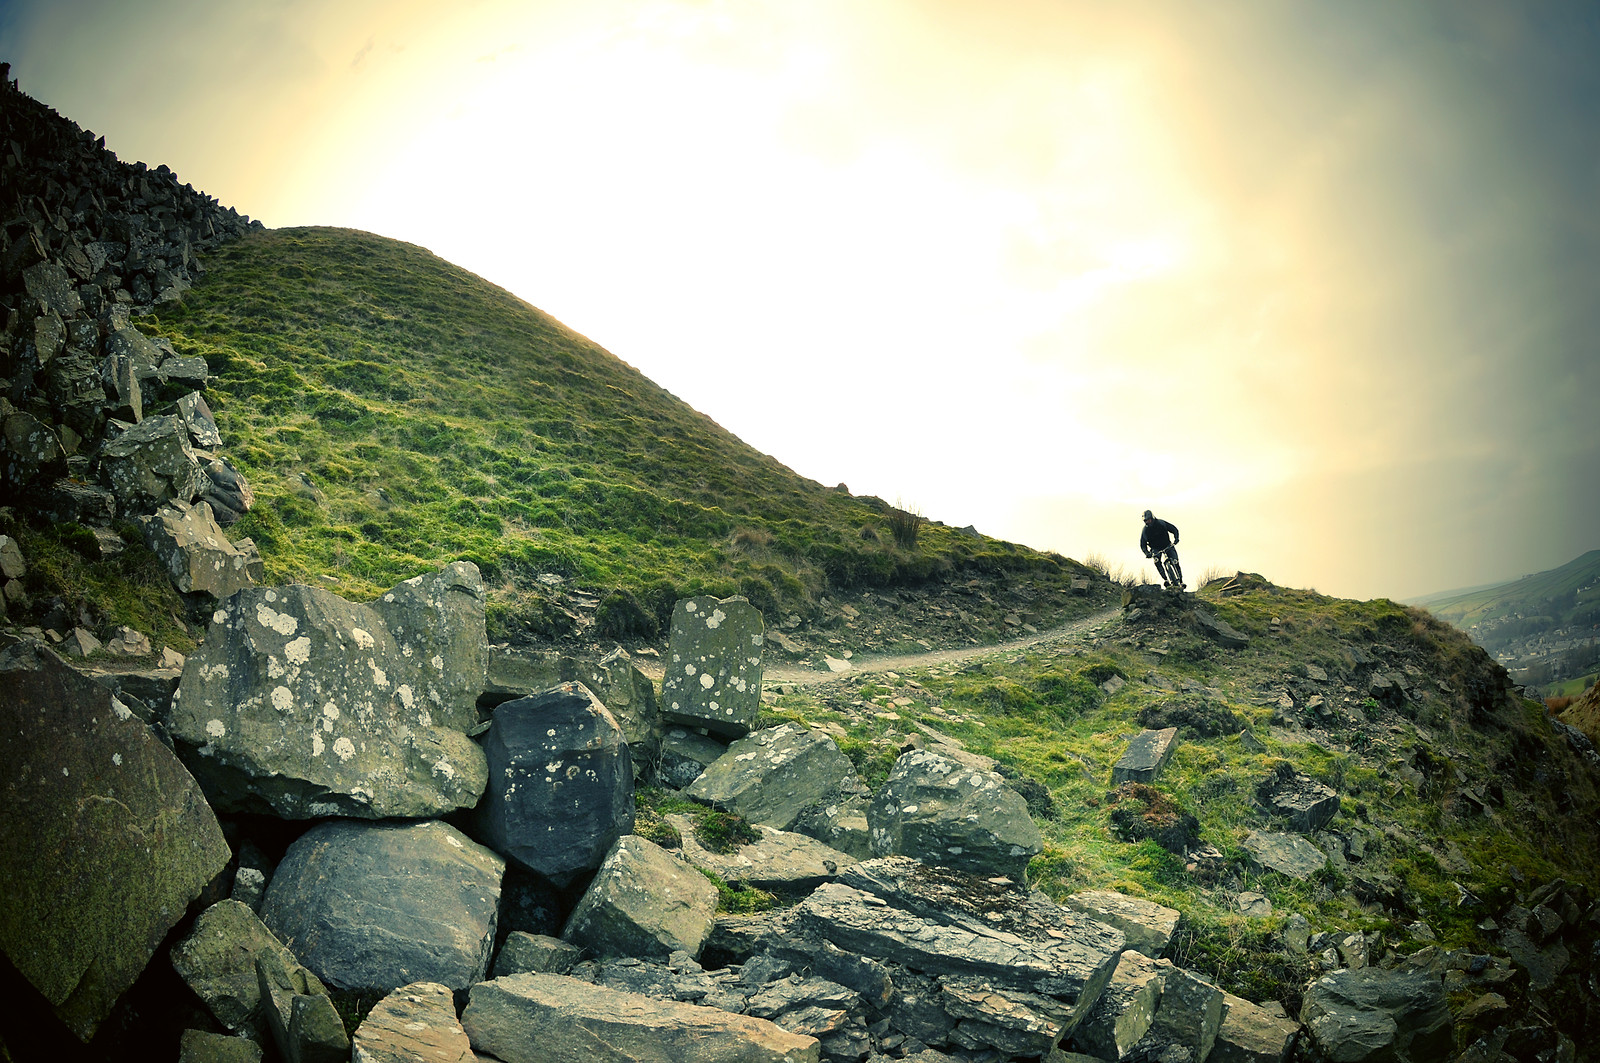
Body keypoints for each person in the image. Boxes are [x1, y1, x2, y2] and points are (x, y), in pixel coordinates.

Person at [1140, 510, 1183, 590]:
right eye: (1145, 521)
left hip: (1167, 545)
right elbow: (1143, 544)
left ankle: (1180, 580)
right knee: (1156, 561)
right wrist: (1147, 553)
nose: (1148, 522)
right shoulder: (1145, 531)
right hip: (1155, 549)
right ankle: (1166, 579)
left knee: (1175, 561)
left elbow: (1174, 529)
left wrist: (1176, 538)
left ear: (1152, 518)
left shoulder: (1161, 523)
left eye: (1148, 520)